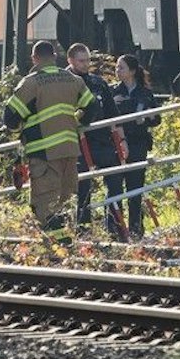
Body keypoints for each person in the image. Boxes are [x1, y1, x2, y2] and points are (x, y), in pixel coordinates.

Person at [2, 40, 94, 238]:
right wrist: (74, 121)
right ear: (55, 57)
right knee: (64, 200)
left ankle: (59, 250)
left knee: (45, 205)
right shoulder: (73, 80)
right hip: (70, 151)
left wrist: (21, 130)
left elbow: (10, 118)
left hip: (43, 153)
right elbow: (92, 108)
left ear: (34, 58)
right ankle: (66, 247)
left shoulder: (30, 83)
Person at [68, 42, 125, 238]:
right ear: (71, 60)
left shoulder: (98, 82)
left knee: (115, 183)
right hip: (78, 143)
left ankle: (115, 229)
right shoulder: (64, 82)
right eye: (81, 61)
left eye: (88, 60)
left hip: (103, 142)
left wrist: (121, 139)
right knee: (83, 189)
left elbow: (112, 114)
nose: (86, 64)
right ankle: (83, 232)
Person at [110, 53, 159, 240]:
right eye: (116, 67)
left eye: (121, 67)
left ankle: (136, 228)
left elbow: (157, 119)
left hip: (138, 144)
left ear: (131, 71)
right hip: (117, 146)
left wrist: (148, 117)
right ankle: (116, 230)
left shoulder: (145, 93)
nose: (117, 70)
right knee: (114, 187)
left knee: (135, 188)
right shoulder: (113, 92)